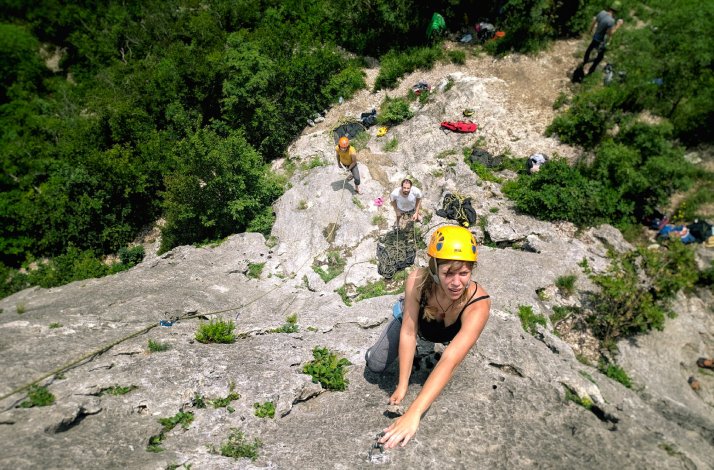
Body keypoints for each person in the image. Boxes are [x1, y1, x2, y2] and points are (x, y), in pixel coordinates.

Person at [365, 225, 491, 448]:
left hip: (443, 334)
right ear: (434, 269)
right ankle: (401, 318)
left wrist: (414, 414)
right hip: (417, 324)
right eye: (448, 273)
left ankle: (425, 349)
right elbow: (408, 331)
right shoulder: (417, 281)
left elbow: (450, 360)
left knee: (440, 367)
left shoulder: (478, 304)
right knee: (375, 364)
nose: (456, 282)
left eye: (464, 273)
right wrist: (402, 384)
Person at [582, 2, 624, 75]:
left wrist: (590, 31)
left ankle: (585, 63)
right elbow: (610, 33)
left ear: (610, 7)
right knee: (600, 57)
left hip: (595, 37)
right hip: (601, 41)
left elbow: (594, 21)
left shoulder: (602, 12)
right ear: (617, 11)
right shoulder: (611, 21)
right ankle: (591, 70)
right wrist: (618, 25)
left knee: (589, 50)